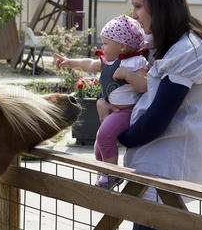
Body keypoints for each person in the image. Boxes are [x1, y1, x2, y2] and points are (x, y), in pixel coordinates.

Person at [109, 0, 202, 230]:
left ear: (158, 5)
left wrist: (117, 137)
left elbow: (158, 118)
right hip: (155, 171)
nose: (133, 15)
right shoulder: (171, 42)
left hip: (168, 172)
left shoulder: (190, 49)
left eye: (138, 6)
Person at [54, 15, 148, 189]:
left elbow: (144, 85)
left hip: (126, 112)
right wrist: (69, 62)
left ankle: (113, 175)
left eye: (105, 43)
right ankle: (103, 173)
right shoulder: (108, 61)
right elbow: (88, 64)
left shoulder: (134, 63)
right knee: (99, 145)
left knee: (104, 137)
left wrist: (128, 75)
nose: (101, 47)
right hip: (112, 110)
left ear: (122, 45)